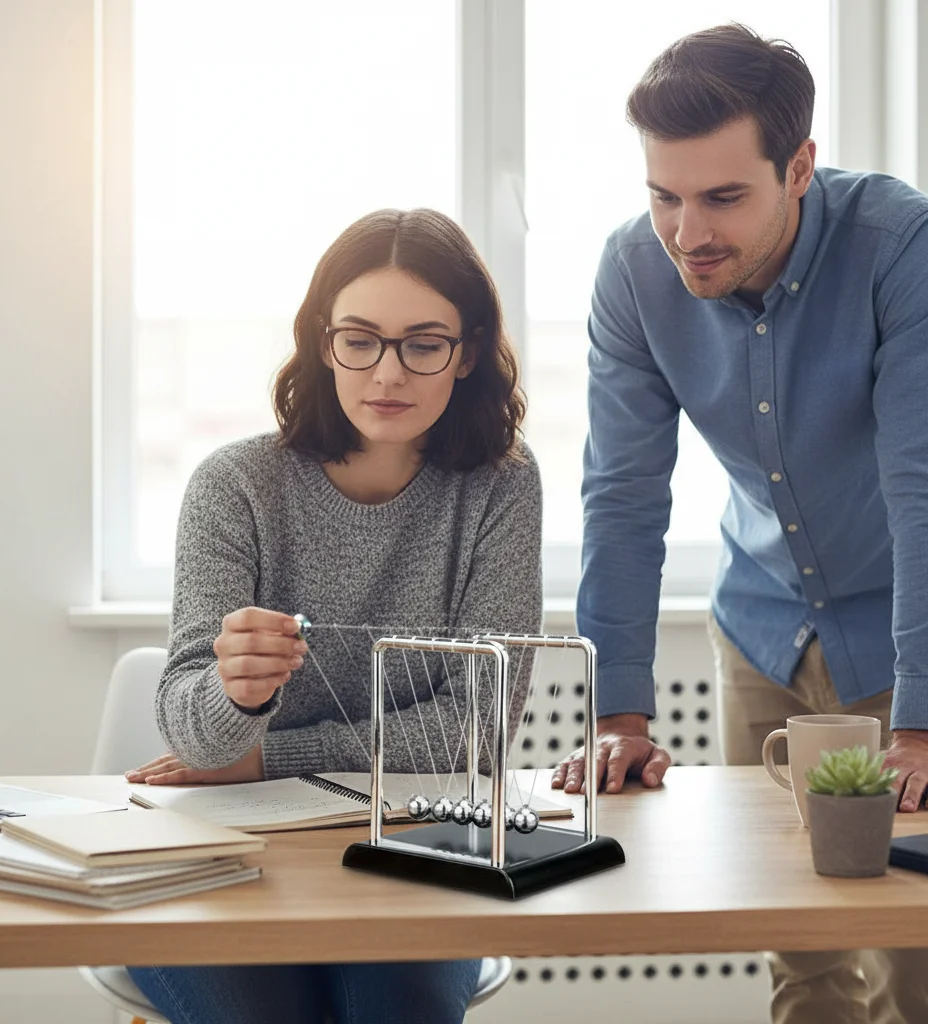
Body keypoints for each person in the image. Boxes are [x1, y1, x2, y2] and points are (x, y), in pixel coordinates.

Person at [551, 22, 928, 1024]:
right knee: (800, 947)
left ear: (797, 167)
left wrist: (925, 720)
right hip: (763, 626)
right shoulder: (633, 274)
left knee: (918, 954)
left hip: (906, 625)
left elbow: (920, 484)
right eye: (663, 196)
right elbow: (622, 496)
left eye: (722, 197)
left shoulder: (899, 245)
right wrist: (618, 720)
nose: (688, 233)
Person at [123, 207, 543, 1024]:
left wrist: (267, 755)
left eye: (424, 344)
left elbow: (477, 732)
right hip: (225, 853)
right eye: (360, 339)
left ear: (466, 353)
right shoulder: (235, 485)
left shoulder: (501, 486)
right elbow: (197, 737)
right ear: (323, 341)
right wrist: (235, 701)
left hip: (413, 850)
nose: (387, 373)